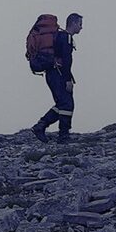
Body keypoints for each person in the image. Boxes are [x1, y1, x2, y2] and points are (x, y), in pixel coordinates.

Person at [31, 13, 83, 142]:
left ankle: (41, 126)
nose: (81, 28)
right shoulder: (66, 38)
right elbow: (66, 60)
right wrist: (67, 80)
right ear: (74, 23)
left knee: (62, 103)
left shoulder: (59, 36)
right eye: (80, 24)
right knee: (67, 104)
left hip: (52, 73)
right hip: (58, 73)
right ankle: (62, 135)